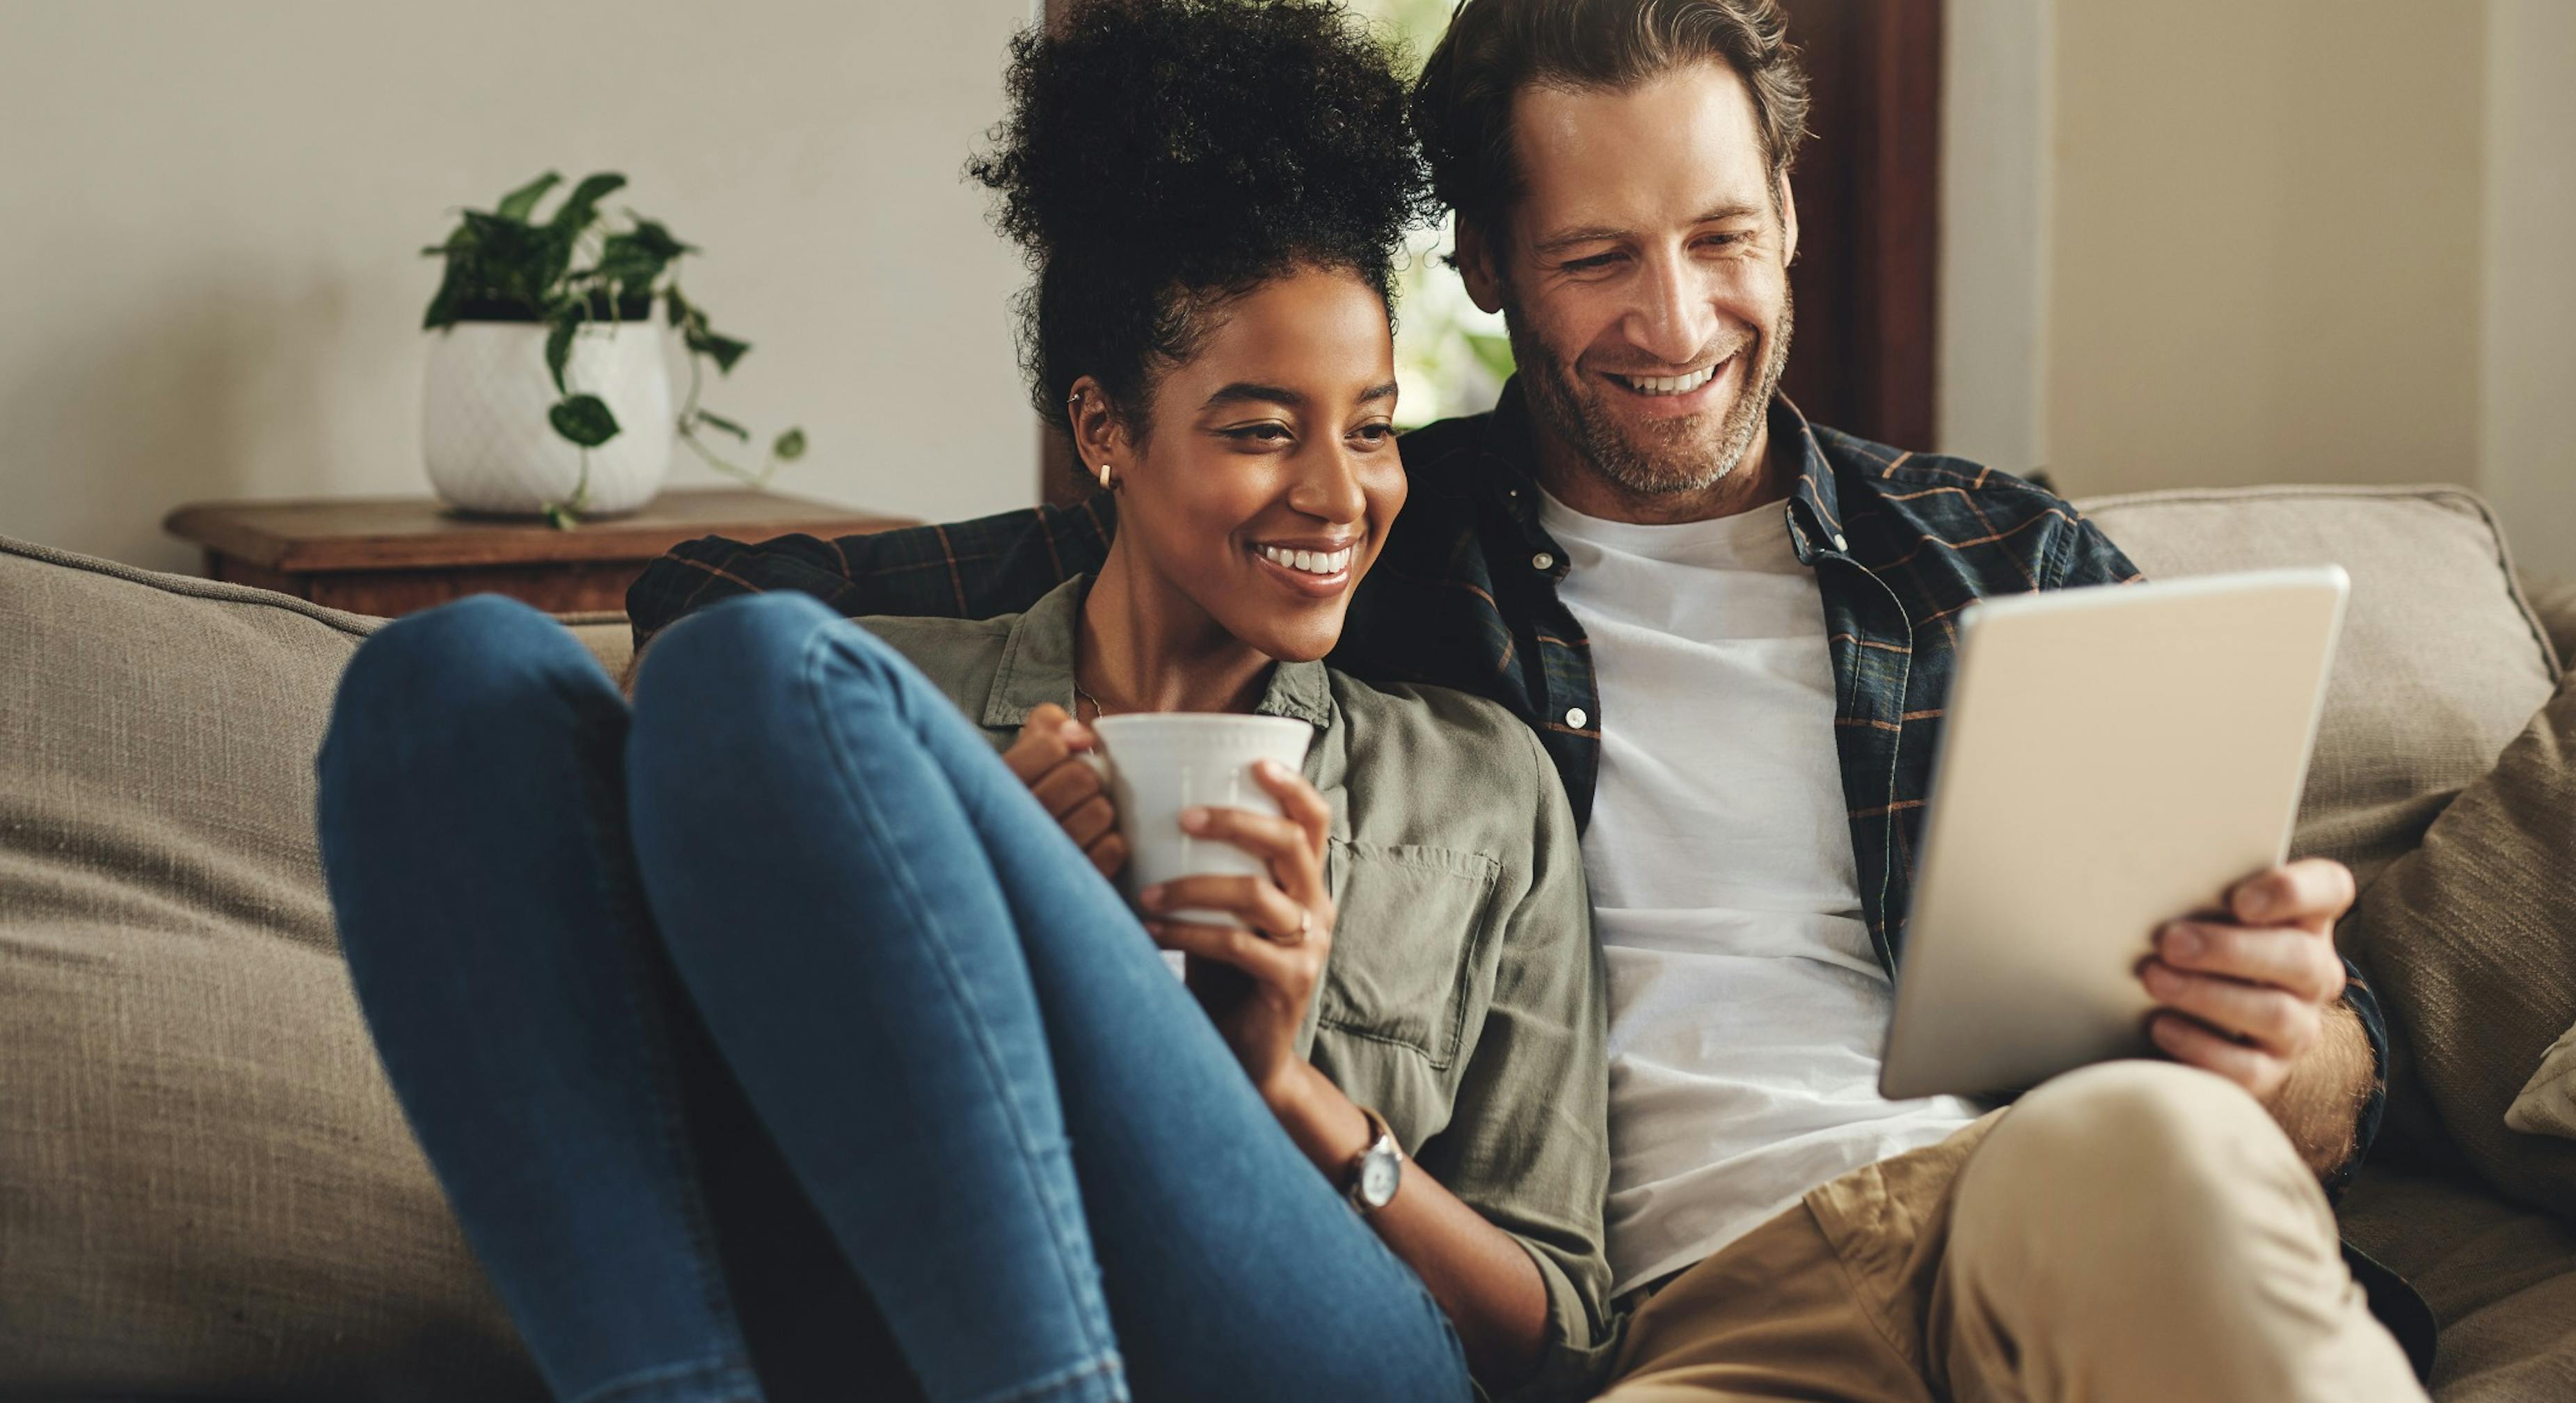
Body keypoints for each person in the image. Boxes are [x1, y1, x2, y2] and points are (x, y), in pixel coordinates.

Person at [627, 1, 2435, 1400]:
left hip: (2054, 1203)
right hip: (1694, 1319)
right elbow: (731, 615)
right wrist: (975, 799)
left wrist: (2305, 1048)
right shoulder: (1360, 541)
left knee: (2162, 1150)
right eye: (1597, 260)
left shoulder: (1993, 553)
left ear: (1792, 215)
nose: (1675, 320)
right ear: (1487, 273)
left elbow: (2340, 1049)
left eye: (1723, 238)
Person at [317, 3, 1618, 1401]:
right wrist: (966, 904)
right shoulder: (884, 725)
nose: (1338, 493)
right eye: (1259, 429)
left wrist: (1283, 1093)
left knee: (751, 664)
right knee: (440, 681)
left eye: (1371, 427)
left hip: (1318, 1339)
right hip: (894, 1307)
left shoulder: (1480, 784)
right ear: (1103, 430)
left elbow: (1551, 1340)